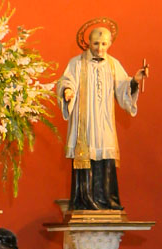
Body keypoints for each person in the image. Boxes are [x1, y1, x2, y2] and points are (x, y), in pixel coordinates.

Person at [57, 23, 148, 211]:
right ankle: (85, 200)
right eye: (96, 43)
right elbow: (66, 81)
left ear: (110, 44)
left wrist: (134, 80)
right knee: (87, 155)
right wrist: (67, 91)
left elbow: (123, 88)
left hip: (104, 119)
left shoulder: (113, 64)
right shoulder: (76, 63)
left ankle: (107, 200)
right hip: (85, 120)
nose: (100, 48)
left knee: (106, 157)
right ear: (88, 42)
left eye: (104, 44)